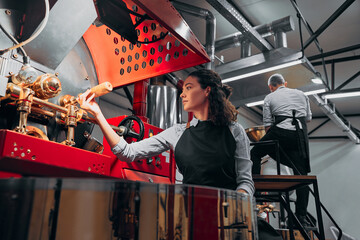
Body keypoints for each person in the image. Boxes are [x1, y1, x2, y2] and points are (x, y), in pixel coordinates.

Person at [79, 69, 254, 195]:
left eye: (189, 88)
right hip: (191, 214)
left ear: (207, 91)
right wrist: (97, 113)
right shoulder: (177, 132)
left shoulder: (234, 131)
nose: (182, 95)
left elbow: (245, 181)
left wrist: (238, 201)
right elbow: (127, 152)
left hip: (229, 215)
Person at [250, 73, 312, 227]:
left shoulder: (270, 97)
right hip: (299, 136)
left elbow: (268, 125)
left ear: (271, 87)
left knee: (255, 152)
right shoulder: (302, 94)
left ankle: (255, 192)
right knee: (301, 176)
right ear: (285, 83)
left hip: (280, 133)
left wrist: (275, 147)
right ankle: (301, 217)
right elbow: (308, 117)